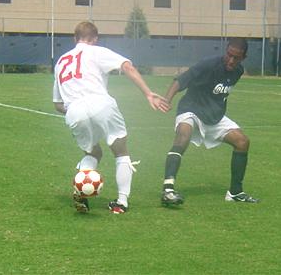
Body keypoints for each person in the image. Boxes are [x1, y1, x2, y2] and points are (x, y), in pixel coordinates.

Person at [53, 21, 169, 214]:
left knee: (92, 153)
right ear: (95, 38)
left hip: (74, 110)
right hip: (101, 103)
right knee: (121, 151)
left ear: (75, 38)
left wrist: (78, 110)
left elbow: (57, 104)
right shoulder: (96, 51)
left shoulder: (60, 62)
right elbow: (127, 67)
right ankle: (121, 202)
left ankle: (82, 192)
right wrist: (148, 93)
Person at [161, 38, 259, 206]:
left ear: (243, 57)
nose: (231, 60)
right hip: (191, 109)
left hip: (214, 117)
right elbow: (180, 80)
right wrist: (167, 100)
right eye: (229, 55)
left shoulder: (238, 71)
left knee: (242, 142)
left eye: (236, 57)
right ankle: (168, 190)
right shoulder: (208, 64)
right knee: (183, 135)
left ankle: (235, 192)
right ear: (226, 51)